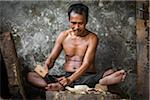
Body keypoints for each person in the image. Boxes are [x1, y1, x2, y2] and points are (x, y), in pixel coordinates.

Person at [27, 3, 126, 91]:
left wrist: (70, 80)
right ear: (69, 20)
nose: (77, 27)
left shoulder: (92, 38)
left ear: (86, 21)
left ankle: (61, 86)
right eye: (73, 23)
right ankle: (60, 85)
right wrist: (46, 66)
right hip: (66, 76)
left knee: (111, 72)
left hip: (86, 76)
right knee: (31, 76)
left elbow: (86, 63)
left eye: (80, 23)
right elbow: (52, 58)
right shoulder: (63, 36)